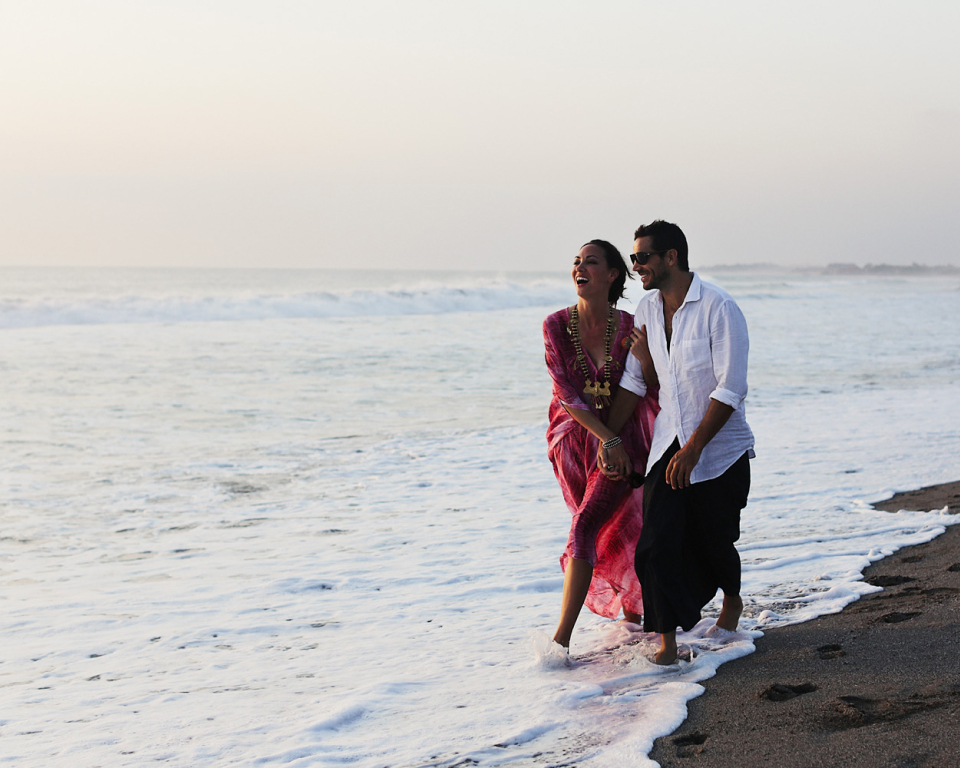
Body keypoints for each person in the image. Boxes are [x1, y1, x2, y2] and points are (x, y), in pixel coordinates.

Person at [601, 220, 755, 665]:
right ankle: (666, 644)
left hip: (719, 447)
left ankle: (732, 599)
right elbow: (634, 381)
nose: (636, 266)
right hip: (669, 440)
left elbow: (731, 387)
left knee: (716, 539)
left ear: (671, 257)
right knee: (657, 541)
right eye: (633, 258)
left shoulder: (719, 308)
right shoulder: (647, 310)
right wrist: (609, 439)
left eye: (642, 257)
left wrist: (696, 449)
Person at [542, 239, 659, 650]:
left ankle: (560, 643)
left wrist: (645, 359)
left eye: (590, 261)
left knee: (586, 525)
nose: (579, 267)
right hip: (573, 444)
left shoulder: (629, 327)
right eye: (576, 261)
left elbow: (648, 384)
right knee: (602, 529)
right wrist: (602, 437)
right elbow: (567, 394)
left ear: (611, 275)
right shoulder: (555, 324)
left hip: (621, 439)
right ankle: (634, 623)